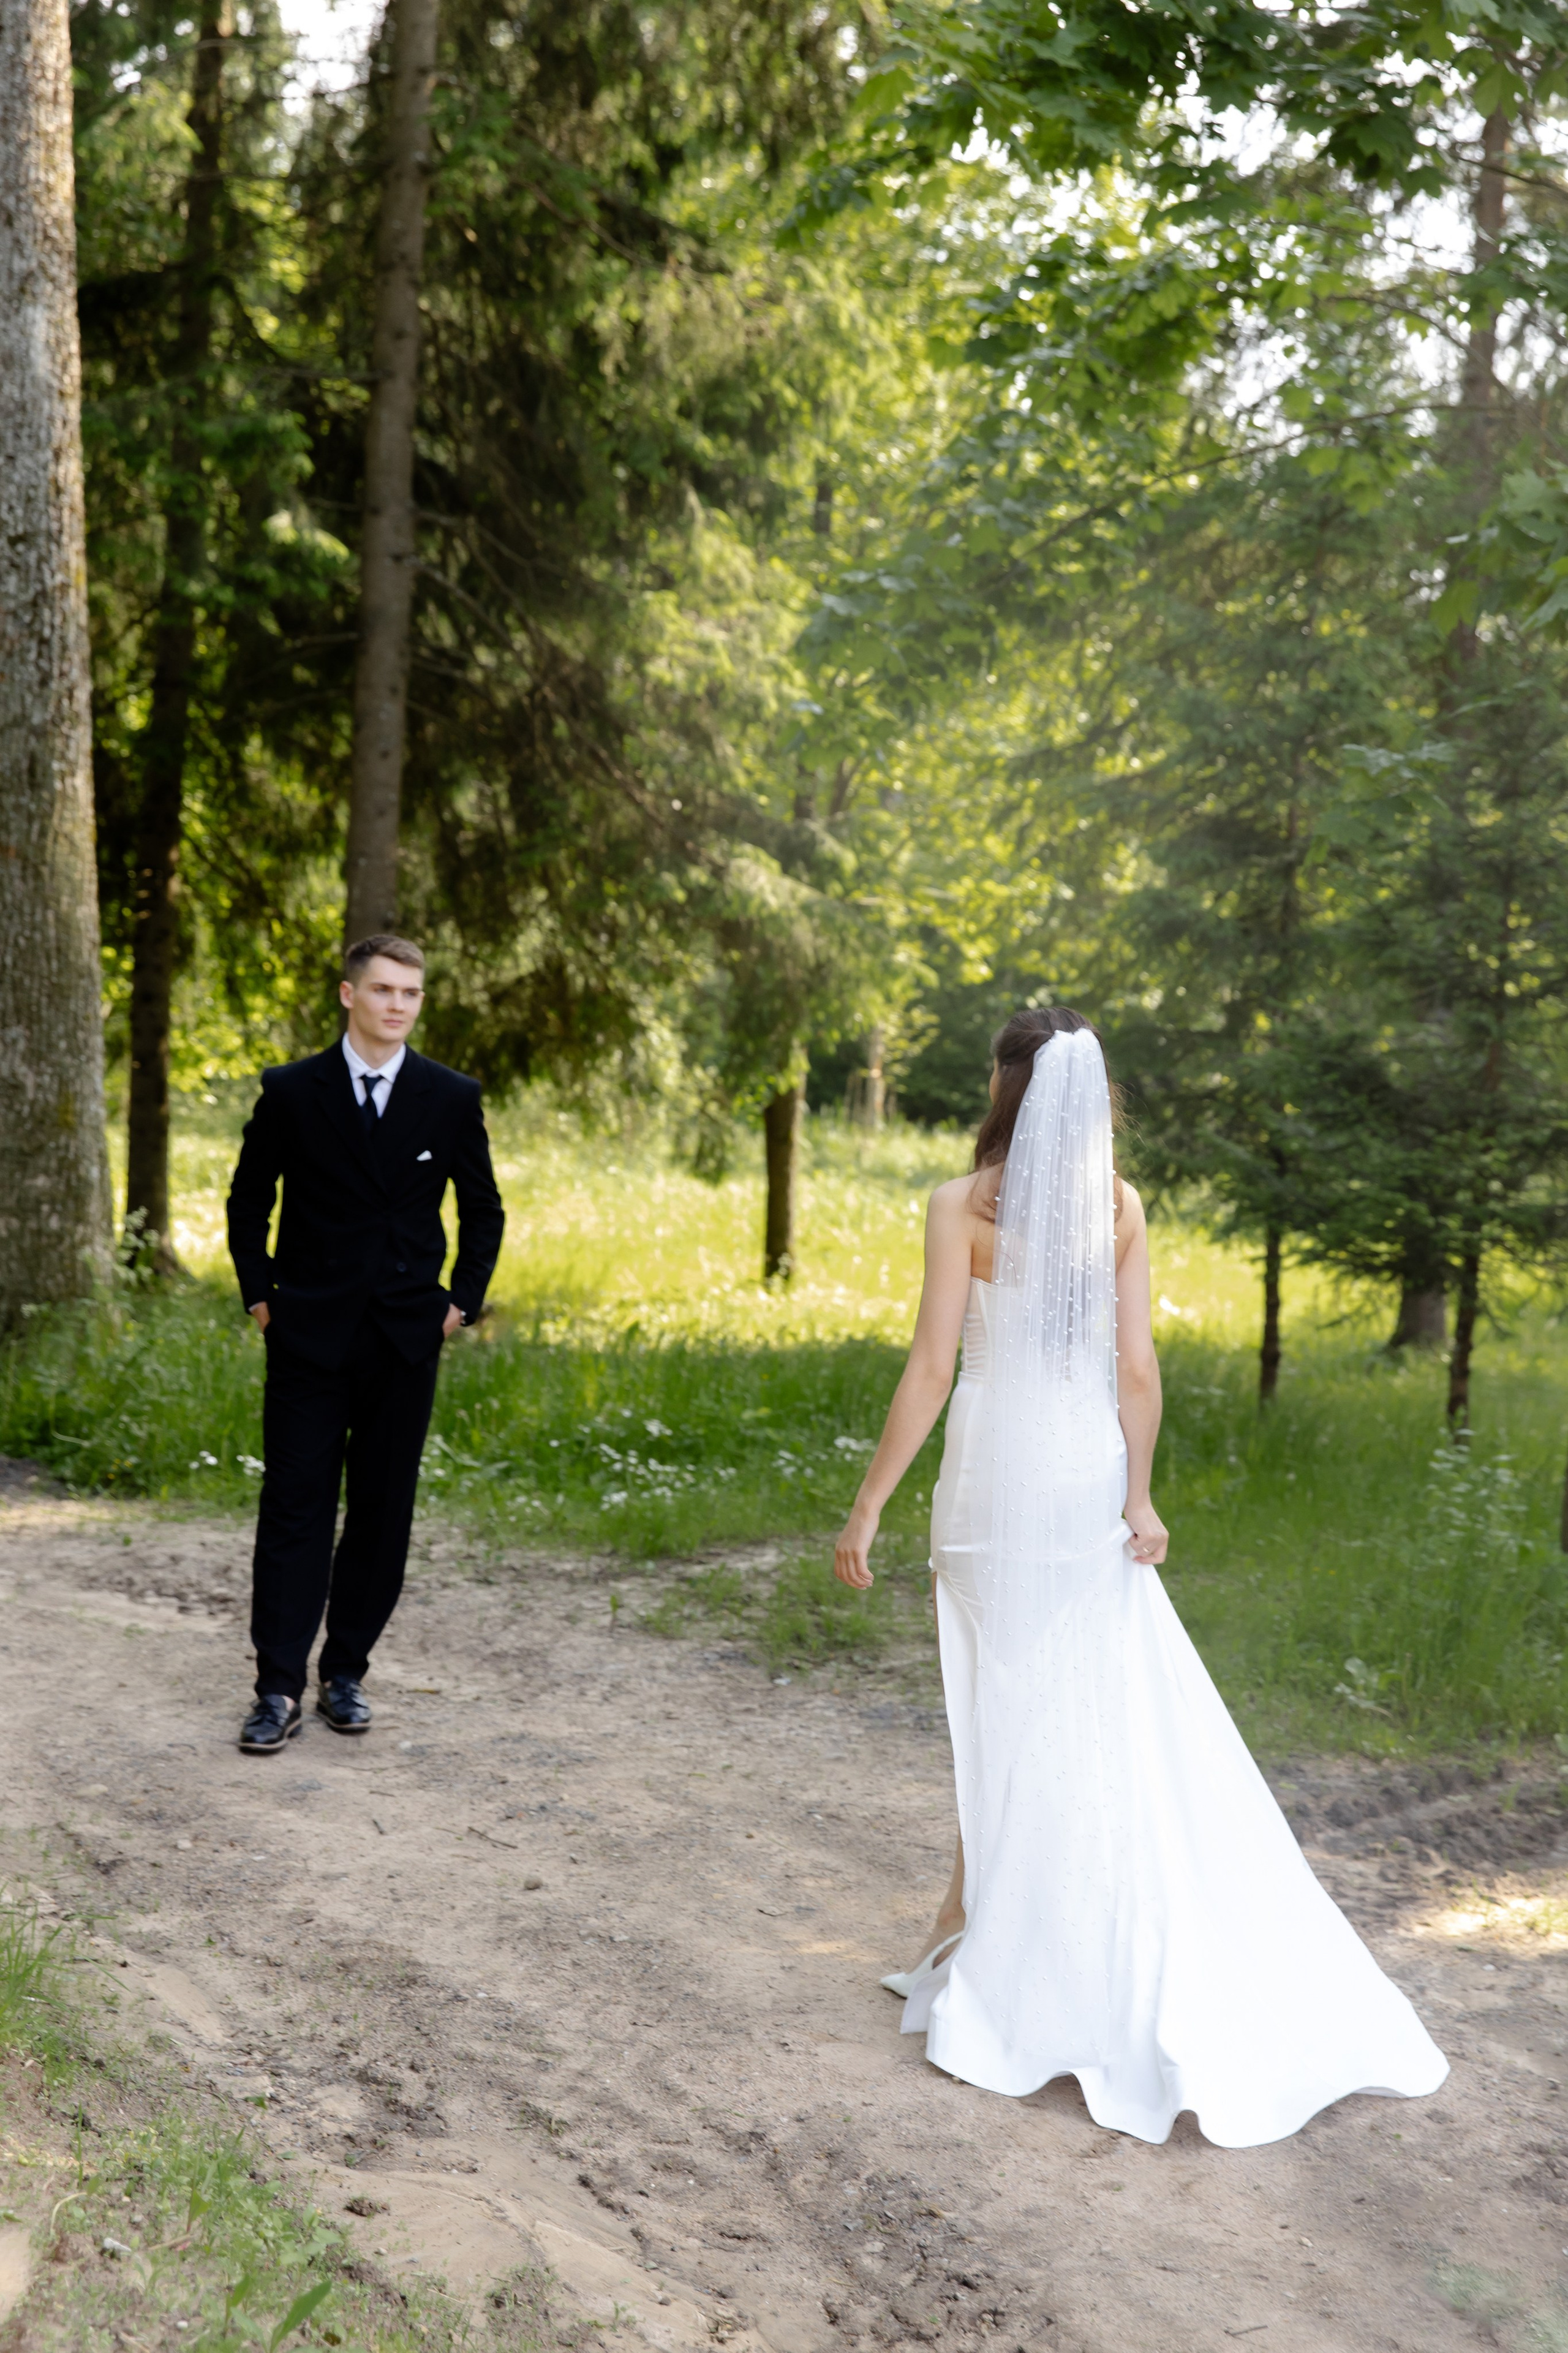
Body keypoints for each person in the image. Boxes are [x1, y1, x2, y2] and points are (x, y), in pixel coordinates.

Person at [832, 1007, 1447, 2148]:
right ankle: (965, 1932)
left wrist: (870, 1500)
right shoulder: (1117, 1205)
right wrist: (1138, 1495)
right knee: (1064, 1708)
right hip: (1079, 1471)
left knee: (999, 1707)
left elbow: (930, 1364)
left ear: (1008, 1084)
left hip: (993, 1473)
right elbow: (1137, 1366)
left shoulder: (960, 1207)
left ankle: (999, 1952)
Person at [226, 935, 505, 1755]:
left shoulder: (450, 1096)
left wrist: (460, 1305)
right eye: (382, 989)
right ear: (349, 995)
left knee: (383, 1510)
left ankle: (344, 1671)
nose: (397, 1004)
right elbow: (249, 1202)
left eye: (411, 993)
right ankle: (276, 1686)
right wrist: (260, 1297)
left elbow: (484, 1210)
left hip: (405, 1338)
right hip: (307, 1333)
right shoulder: (291, 1091)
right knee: (295, 1507)